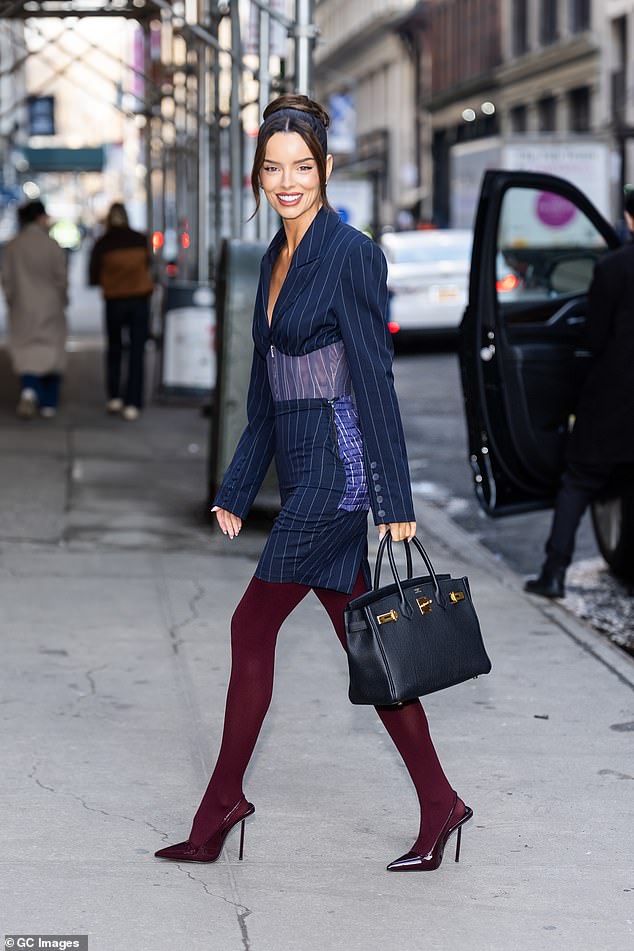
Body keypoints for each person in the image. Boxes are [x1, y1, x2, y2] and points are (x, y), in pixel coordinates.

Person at [154, 95, 472, 873]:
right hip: (302, 470)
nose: (287, 181)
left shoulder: (352, 253)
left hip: (339, 474)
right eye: (274, 168)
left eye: (302, 167)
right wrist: (234, 485)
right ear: (258, 175)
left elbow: (374, 377)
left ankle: (219, 803)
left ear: (326, 169)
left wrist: (393, 499)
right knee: (366, 639)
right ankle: (440, 801)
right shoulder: (273, 257)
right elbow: (265, 391)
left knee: (249, 626)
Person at [525, 191, 634, 598]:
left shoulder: (613, 268)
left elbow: (594, 337)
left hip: (614, 397)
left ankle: (554, 573)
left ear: (629, 218)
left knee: (579, 482)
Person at [1, 200, 68, 419]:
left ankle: (29, 389)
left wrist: (12, 301)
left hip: (22, 306)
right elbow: (61, 278)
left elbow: (6, 280)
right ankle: (48, 403)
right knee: (51, 351)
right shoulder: (52, 245)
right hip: (50, 306)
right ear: (39, 217)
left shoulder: (13, 245)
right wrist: (63, 299)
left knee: (26, 350)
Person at [89, 203, 153, 421]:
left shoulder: (103, 243)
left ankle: (114, 397)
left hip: (114, 301)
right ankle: (133, 402)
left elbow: (93, 276)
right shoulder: (138, 239)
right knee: (137, 351)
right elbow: (149, 265)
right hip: (139, 300)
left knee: (114, 348)